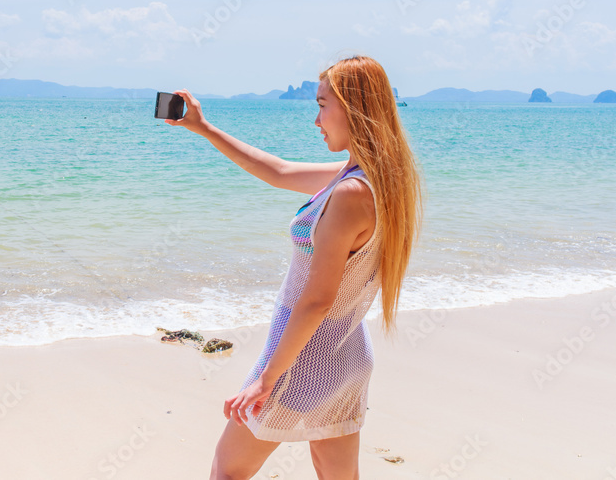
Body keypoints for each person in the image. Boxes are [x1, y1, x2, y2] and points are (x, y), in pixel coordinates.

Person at [165, 54, 423, 480]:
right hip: (346, 356)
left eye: (322, 105)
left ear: (355, 108)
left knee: (226, 473)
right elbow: (279, 171)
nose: (316, 120)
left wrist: (267, 378)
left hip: (303, 359)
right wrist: (203, 127)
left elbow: (317, 301)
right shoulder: (377, 180)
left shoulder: (351, 194)